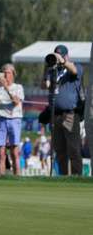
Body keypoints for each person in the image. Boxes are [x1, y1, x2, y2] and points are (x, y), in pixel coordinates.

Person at [41, 44, 84, 176]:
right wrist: (47, 67)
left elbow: (75, 71)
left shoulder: (75, 66)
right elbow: (44, 86)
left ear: (66, 56)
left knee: (74, 149)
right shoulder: (53, 71)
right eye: (56, 55)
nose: (57, 58)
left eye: (60, 55)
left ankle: (77, 177)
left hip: (70, 114)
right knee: (60, 150)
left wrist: (63, 61)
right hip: (55, 115)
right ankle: (64, 177)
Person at [0, 63, 24, 176]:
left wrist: (6, 88)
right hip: (1, 119)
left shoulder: (18, 87)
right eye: (4, 73)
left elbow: (16, 102)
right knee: (1, 153)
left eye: (7, 73)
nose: (5, 75)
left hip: (14, 119)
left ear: (13, 74)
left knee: (14, 152)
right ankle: (1, 178)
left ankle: (17, 177)